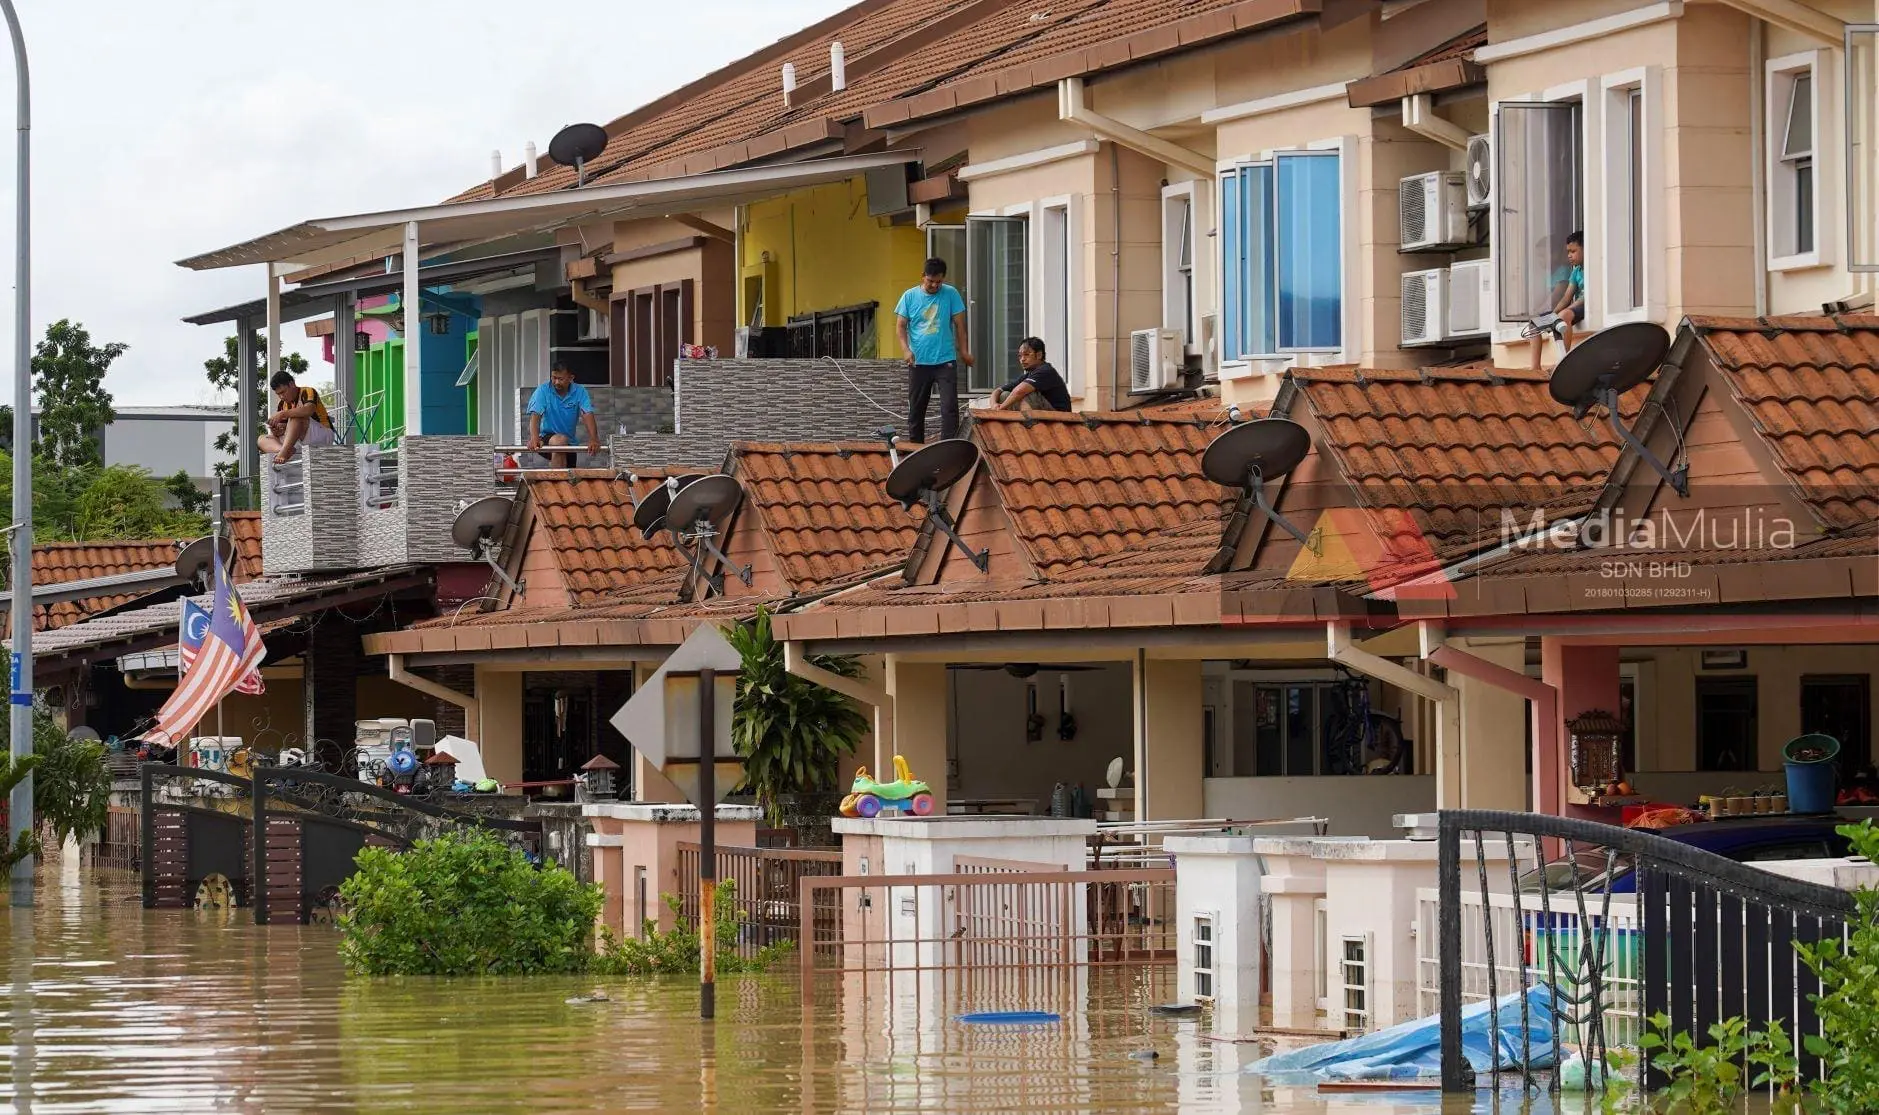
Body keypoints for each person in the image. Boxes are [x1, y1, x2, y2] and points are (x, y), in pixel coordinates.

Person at [895, 258, 973, 442]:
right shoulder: (909, 296)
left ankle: (949, 445)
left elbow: (960, 325)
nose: (934, 285)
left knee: (949, 407)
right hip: (919, 362)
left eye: (939, 281)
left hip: (945, 360)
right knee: (916, 408)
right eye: (930, 281)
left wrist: (964, 351)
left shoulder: (951, 294)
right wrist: (906, 350)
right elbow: (900, 326)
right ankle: (915, 447)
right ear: (923, 277)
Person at [526, 361, 602, 469]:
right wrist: (534, 438)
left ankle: (560, 482)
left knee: (570, 479)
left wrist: (594, 438)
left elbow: (587, 414)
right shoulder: (543, 390)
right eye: (553, 378)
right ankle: (557, 483)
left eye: (560, 379)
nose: (556, 382)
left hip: (569, 442)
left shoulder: (580, 391)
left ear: (571, 378)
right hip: (547, 438)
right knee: (559, 441)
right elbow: (535, 415)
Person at [1531, 230, 1586, 372]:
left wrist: (1562, 312)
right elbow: (1566, 297)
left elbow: (1585, 297)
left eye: (1573, 251)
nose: (1569, 255)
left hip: (1585, 306)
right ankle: (1535, 366)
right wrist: (1553, 314)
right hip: (1573, 307)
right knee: (1535, 322)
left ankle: (1563, 360)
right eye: (1568, 252)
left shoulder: (1592, 269)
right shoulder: (1575, 271)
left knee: (1564, 316)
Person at [258, 370, 336, 465]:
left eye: (283, 392)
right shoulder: (282, 404)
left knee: (297, 417)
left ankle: (284, 451)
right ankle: (285, 450)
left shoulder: (307, 391)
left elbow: (308, 410)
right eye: (278, 394)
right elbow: (288, 428)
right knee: (261, 439)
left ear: (292, 384)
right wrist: (277, 431)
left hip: (322, 433)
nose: (281, 396)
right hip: (298, 441)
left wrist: (282, 414)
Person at [991, 337, 1071, 412]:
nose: (1022, 359)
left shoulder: (1046, 371)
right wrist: (994, 406)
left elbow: (1019, 391)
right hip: (1043, 411)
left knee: (1026, 392)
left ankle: (1028, 422)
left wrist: (1001, 408)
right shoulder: (1028, 375)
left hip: (1059, 416)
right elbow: (998, 390)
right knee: (1004, 395)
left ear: (1039, 355)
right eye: (1020, 356)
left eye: (1026, 354)